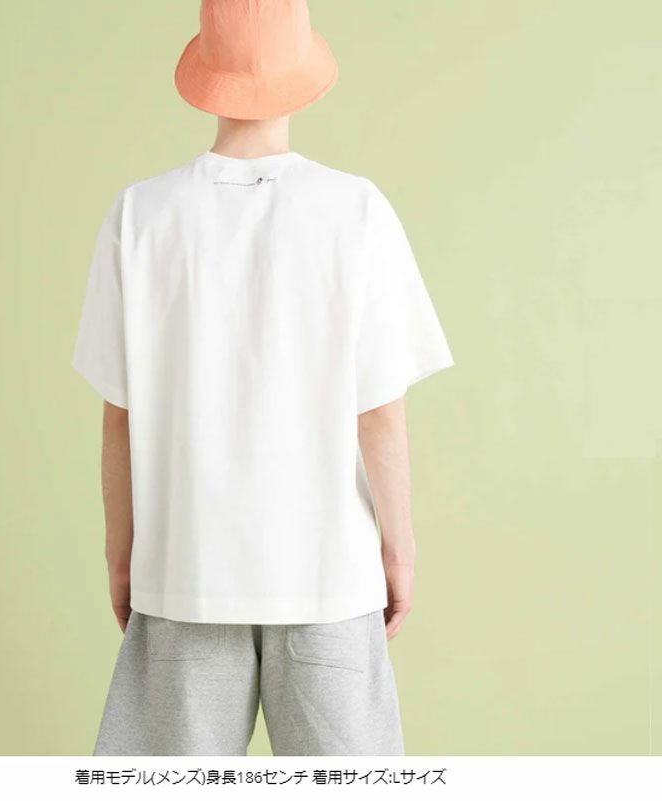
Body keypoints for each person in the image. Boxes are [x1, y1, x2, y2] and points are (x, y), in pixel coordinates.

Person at [71, 0, 454, 756]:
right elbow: (378, 409)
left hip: (184, 568)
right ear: (305, 77)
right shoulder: (356, 211)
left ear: (204, 76)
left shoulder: (140, 215)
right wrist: (399, 547)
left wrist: (123, 552)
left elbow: (120, 412)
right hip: (328, 573)